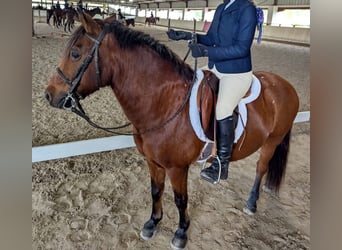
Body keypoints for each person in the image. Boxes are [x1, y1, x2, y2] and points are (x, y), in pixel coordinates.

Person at [167, 0, 257, 184]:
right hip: (216, 67)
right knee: (188, 87)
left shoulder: (247, 9)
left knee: (223, 108)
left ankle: (221, 165)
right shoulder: (221, 8)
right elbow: (211, 38)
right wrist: (188, 36)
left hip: (236, 72)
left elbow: (242, 48)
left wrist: (207, 52)